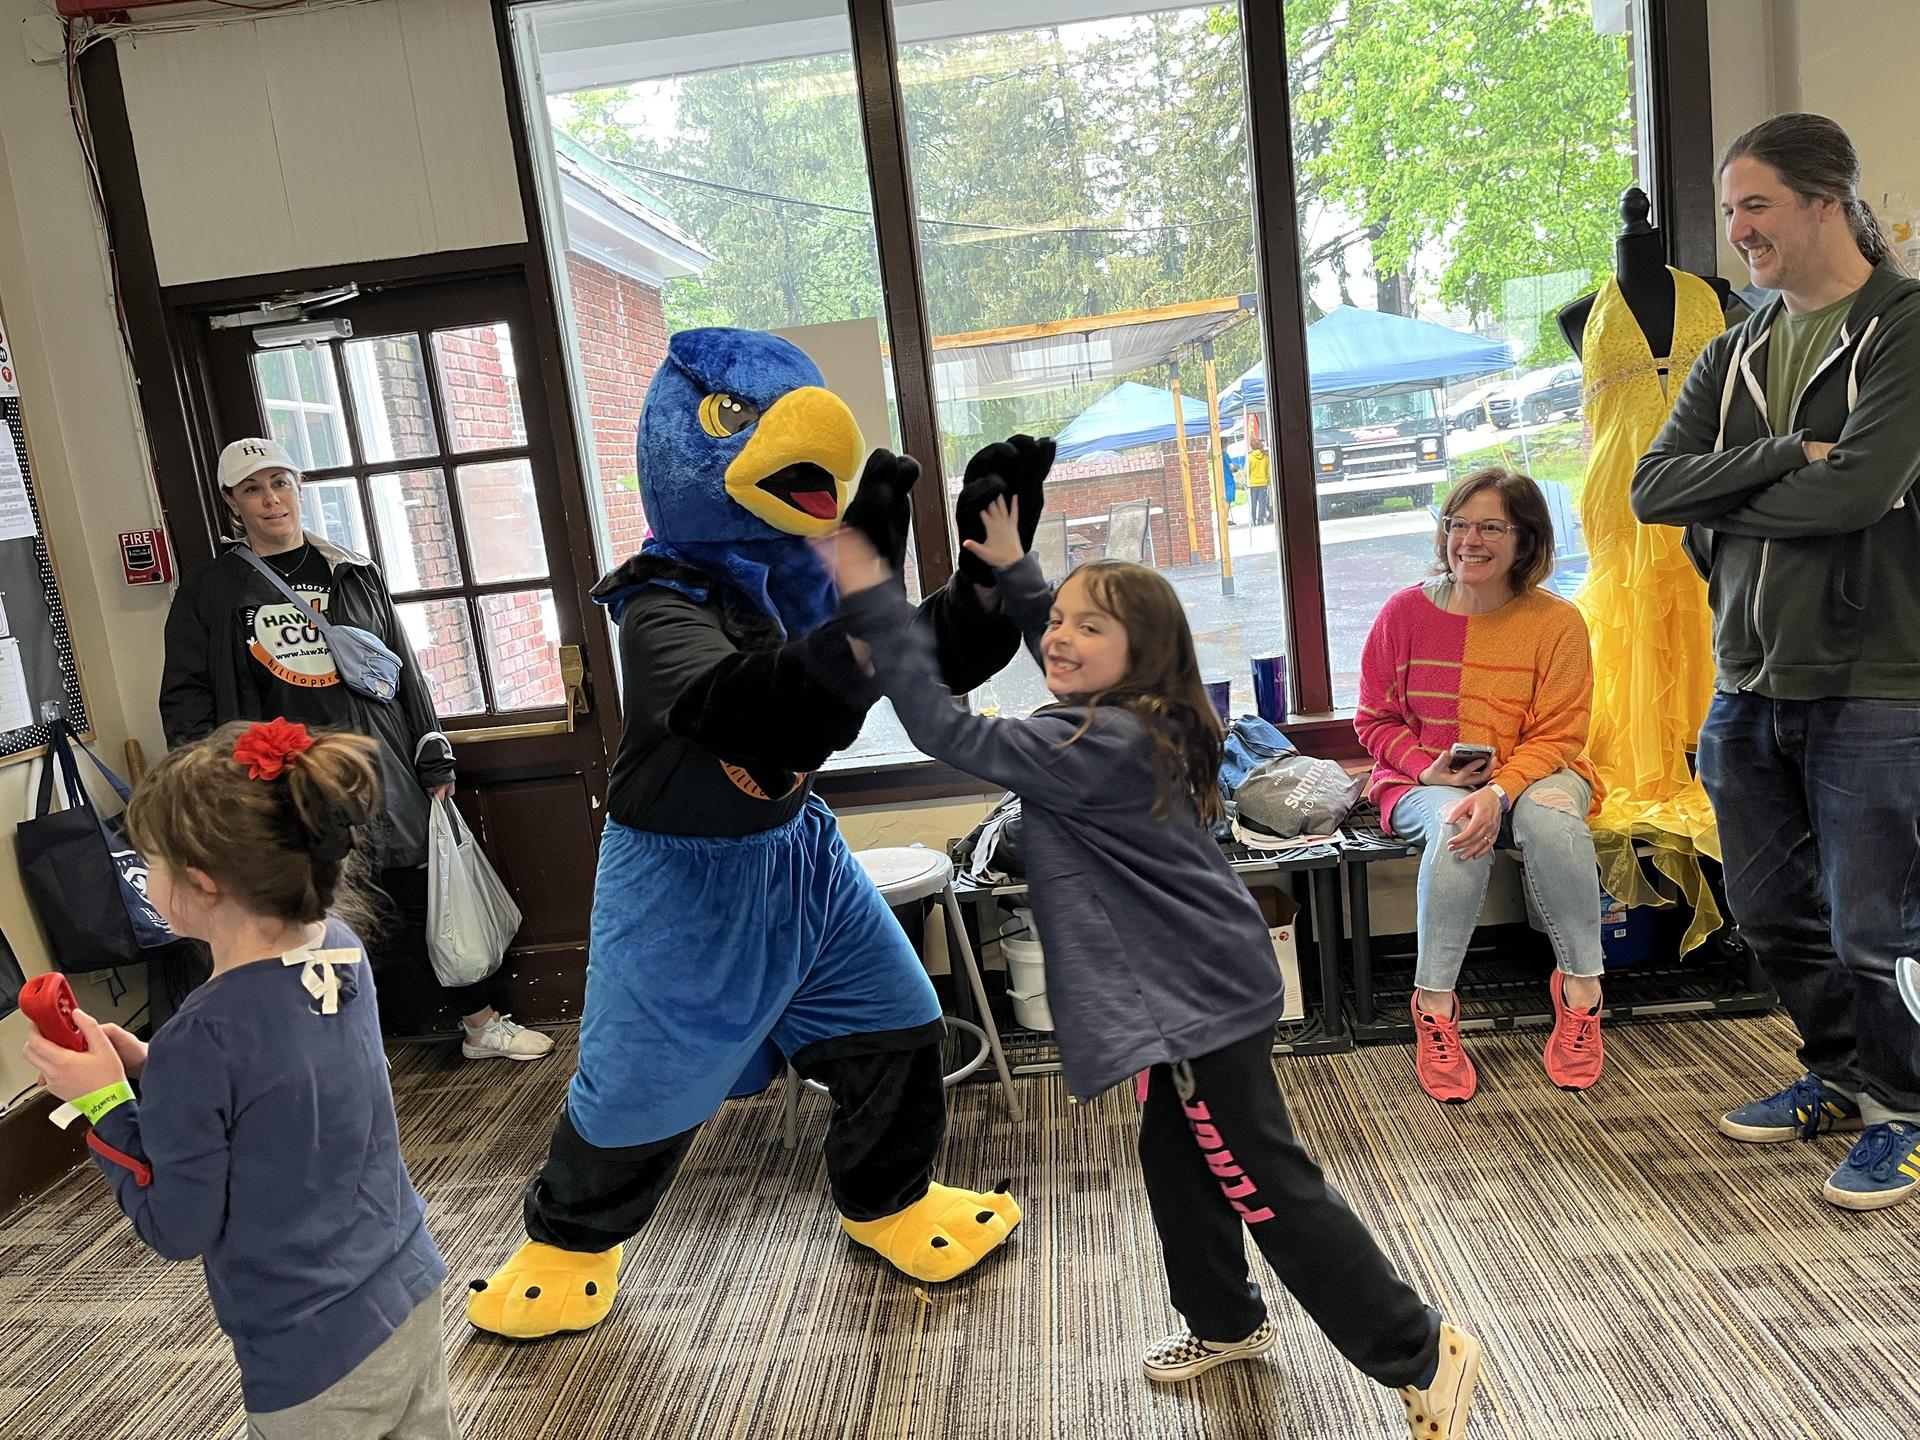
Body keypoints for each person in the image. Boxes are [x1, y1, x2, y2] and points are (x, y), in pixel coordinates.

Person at [822, 498, 1481, 1440]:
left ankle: (1418, 1348)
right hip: (1196, 982)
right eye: (1056, 621)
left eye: (1089, 627)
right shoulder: (1138, 712)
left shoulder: (1093, 742)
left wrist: (875, 600)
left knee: (1261, 1180)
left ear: (1143, 650)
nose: (1059, 637)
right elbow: (1077, 646)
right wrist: (1019, 578)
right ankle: (1226, 1320)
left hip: (1193, 1001)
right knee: (1177, 1162)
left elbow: (945, 729)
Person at [1631, 112, 1920, 1211]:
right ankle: (1842, 1073)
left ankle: (1907, 1109)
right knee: (1766, 910)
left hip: (1877, 679)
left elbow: (1863, 491)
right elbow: (1651, 489)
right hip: (1748, 675)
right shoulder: (1734, 350)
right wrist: (1788, 452)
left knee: (1876, 925)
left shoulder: (1902, 327)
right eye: (1731, 208)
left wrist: (1730, 495)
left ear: (1826, 200)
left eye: (1756, 204)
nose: (1738, 228)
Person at [22, 720, 456, 1440]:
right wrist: (152, 1066)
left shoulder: (202, 1039)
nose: (144, 877)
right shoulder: (339, 950)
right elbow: (287, 1082)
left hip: (311, 1348)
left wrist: (105, 1100)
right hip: (407, 1282)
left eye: (148, 862)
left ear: (199, 883)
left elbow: (177, 1224)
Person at [159, 437, 549, 1064]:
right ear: (232, 501)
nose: (271, 499)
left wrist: (431, 747)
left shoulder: (350, 569)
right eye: (253, 489)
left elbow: (403, 666)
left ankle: (481, 1023)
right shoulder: (210, 591)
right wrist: (214, 780)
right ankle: (343, 1046)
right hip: (285, 776)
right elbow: (186, 695)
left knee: (421, 891)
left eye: (280, 483)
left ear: (299, 486)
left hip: (378, 762)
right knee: (311, 909)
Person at [1355, 467, 1607, 1104]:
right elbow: (1373, 719)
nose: (1469, 540)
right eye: (1458, 524)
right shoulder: (1403, 613)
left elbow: (1561, 735)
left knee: (1553, 820)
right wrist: (1426, 768)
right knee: (1456, 825)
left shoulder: (1558, 622)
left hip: (1537, 771)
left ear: (1525, 540)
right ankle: (1434, 1007)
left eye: (1491, 527)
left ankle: (1582, 993)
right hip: (1421, 780)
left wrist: (1499, 792)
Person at [1246, 446, 1274, 526]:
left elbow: (1246, 471)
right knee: (1262, 503)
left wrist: (1247, 480)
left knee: (1253, 503)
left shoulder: (1249, 457)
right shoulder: (1265, 457)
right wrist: (1268, 480)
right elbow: (1268, 470)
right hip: (1263, 483)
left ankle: (1253, 520)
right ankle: (1260, 520)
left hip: (1253, 483)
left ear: (1252, 447)